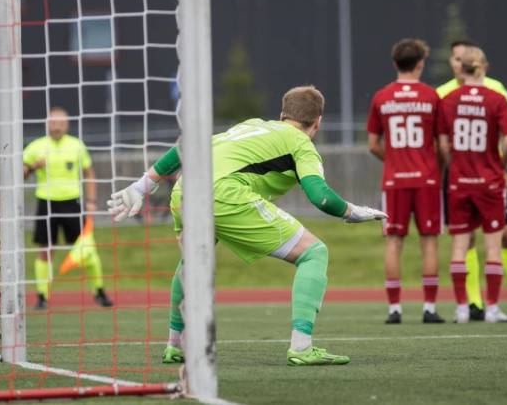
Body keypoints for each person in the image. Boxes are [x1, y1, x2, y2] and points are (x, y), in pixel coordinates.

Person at [108, 86, 387, 366]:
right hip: (226, 195)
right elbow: (321, 197)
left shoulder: (252, 125)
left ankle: (176, 344)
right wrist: (354, 212)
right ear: (318, 122)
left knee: (191, 263)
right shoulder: (303, 145)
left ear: (281, 115)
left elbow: (187, 147)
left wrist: (141, 186)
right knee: (314, 253)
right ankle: (302, 347)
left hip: (185, 191)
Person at [436, 39, 507, 321]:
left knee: (460, 245)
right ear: (483, 67)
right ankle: (492, 307)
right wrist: (502, 165)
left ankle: (461, 308)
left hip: (459, 180)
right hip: (489, 181)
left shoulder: (448, 100)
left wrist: (453, 165)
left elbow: (443, 146)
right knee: (492, 246)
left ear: (461, 67)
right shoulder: (496, 98)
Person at [366, 39, 444, 325]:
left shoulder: (381, 97)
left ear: (395, 63)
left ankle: (395, 310)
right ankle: (429, 308)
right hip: (427, 179)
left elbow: (373, 144)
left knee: (393, 243)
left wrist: (395, 161)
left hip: (395, 181)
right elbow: (443, 145)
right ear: (420, 64)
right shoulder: (431, 96)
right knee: (429, 243)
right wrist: (437, 168)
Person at [23, 107, 112, 310]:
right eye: (53, 123)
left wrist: (91, 201)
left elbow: (90, 174)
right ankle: (42, 297)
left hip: (73, 203)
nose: (56, 127)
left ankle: (99, 291)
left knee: (87, 249)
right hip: (46, 203)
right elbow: (20, 173)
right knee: (46, 250)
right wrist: (32, 167)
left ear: (67, 125)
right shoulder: (36, 146)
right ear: (47, 125)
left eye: (60, 123)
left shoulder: (76, 145)